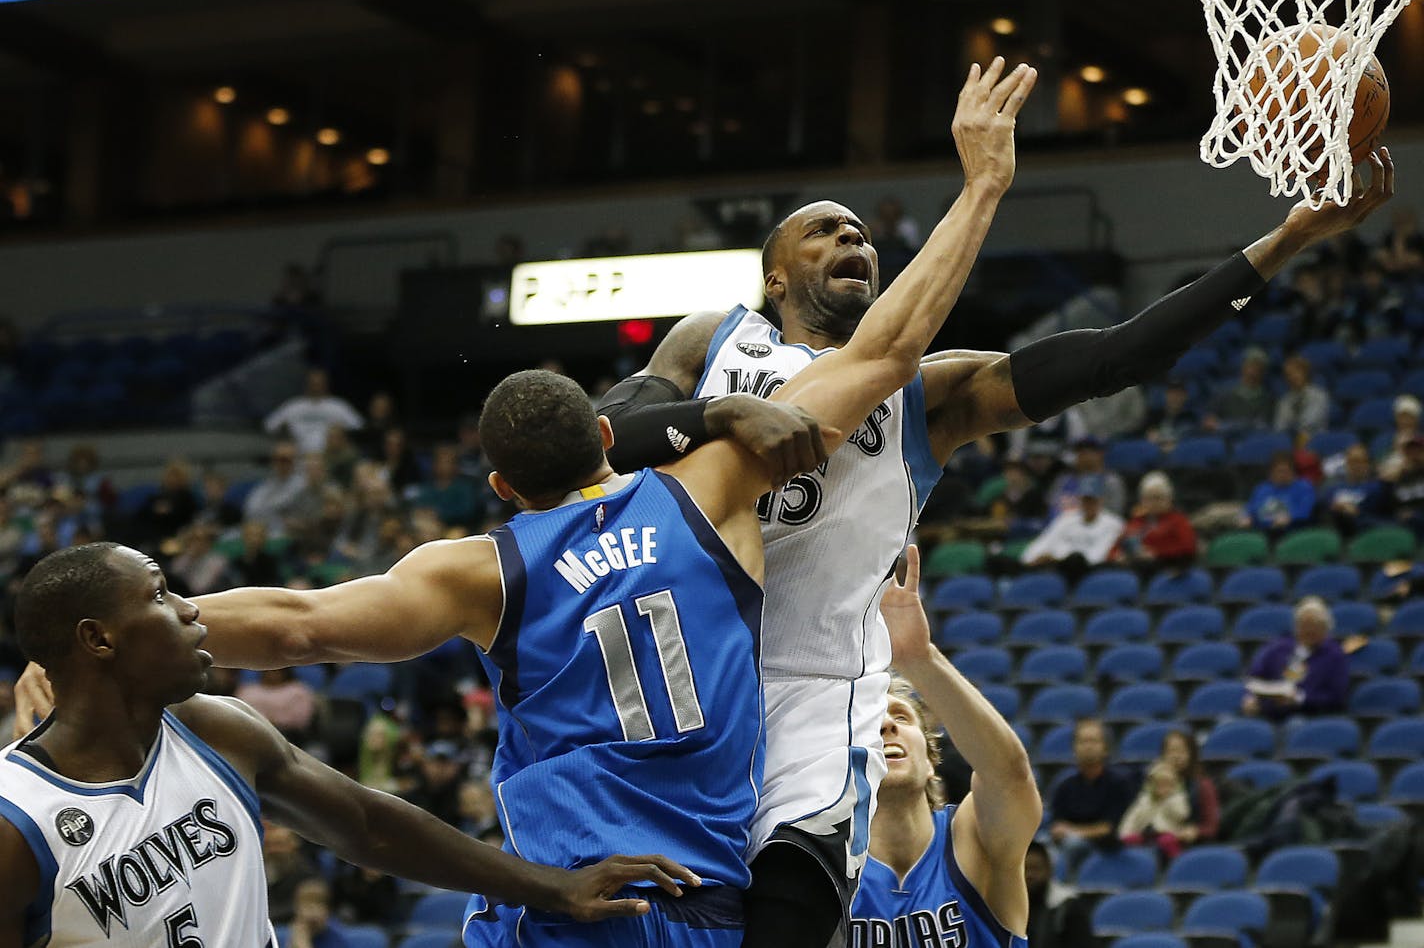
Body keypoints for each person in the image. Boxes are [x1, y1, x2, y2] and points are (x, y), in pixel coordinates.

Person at [6, 65, 1032, 947]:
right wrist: (980, 185)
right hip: (690, 894)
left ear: (499, 486)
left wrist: (120, 644)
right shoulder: (701, 493)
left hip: (554, 893)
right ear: (601, 440)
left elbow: (301, 624)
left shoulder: (478, 566)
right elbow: (887, 353)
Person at [593, 142, 1388, 944]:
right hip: (685, 664)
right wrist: (720, 417)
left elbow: (1118, 355)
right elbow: (601, 443)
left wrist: (1283, 242)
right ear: (774, 277)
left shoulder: (931, 393)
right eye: (826, 231)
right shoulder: (711, 343)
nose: (853, 241)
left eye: (863, 234)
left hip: (818, 687)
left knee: (789, 909)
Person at [0, 543, 699, 948]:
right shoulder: (17, 823)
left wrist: (556, 885)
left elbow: (369, 826)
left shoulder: (214, 727)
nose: (190, 609)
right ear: (98, 639)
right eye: (159, 596)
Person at [851, 545, 1040, 947]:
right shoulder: (827, 862)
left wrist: (919, 659)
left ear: (932, 759)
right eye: (869, 724)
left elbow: (1008, 775)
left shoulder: (973, 838)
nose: (886, 725)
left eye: (901, 717)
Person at [1048, 719, 1136, 874]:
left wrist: (1073, 831)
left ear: (1105, 749)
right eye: (1082, 741)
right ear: (1074, 748)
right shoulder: (1065, 786)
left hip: (1106, 846)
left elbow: (1110, 828)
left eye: (1094, 741)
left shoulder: (1119, 784)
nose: (1088, 746)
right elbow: (1057, 825)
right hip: (1066, 842)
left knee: (1073, 844)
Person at [1242, 595, 1350, 719]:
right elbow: (1255, 676)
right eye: (1304, 625)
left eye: (1315, 625)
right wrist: (1249, 697)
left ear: (1326, 629)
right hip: (1268, 710)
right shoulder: (1278, 647)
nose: (1309, 630)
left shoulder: (1335, 656)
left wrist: (1300, 698)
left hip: (1307, 715)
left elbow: (1336, 697)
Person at [1020, 480, 1124, 582]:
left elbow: (1097, 557)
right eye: (1085, 500)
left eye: (1092, 500)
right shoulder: (1066, 518)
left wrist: (1058, 561)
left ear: (1101, 500)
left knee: (1075, 561)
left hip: (1086, 573)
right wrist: (1031, 558)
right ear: (1080, 499)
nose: (1088, 504)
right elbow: (1045, 540)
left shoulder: (1114, 524)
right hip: (1054, 569)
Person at [1110, 471, 1198, 572]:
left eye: (1158, 498)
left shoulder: (1179, 521)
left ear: (1169, 499)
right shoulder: (1135, 522)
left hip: (1163, 569)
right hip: (1132, 569)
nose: (1153, 503)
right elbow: (1113, 550)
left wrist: (1156, 554)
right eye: (1148, 498)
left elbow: (1188, 549)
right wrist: (1118, 556)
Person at [264, 369, 364, 456]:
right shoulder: (293, 406)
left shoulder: (338, 406)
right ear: (307, 384)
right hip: (298, 456)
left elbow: (359, 426)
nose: (316, 387)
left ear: (326, 385)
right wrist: (283, 429)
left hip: (331, 458)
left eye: (319, 384)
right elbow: (270, 425)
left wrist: (343, 430)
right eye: (313, 383)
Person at [1118, 760, 1192, 862]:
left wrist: (1168, 800)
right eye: (1159, 784)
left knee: (1167, 841)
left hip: (1168, 833)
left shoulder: (1177, 799)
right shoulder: (1144, 800)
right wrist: (1124, 834)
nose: (1163, 788)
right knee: (1129, 840)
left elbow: (1183, 814)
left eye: (1168, 784)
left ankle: (1177, 862)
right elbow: (1132, 817)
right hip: (1145, 834)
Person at [1023, 842, 1093, 948]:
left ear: (1049, 870)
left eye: (1035, 868)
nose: (1029, 875)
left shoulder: (1068, 905)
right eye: (1025, 869)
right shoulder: (1008, 906)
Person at [1160, 729, 1218, 846]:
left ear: (1191, 754)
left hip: (1192, 845)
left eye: (1181, 751)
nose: (1176, 756)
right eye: (1171, 751)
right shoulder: (1153, 783)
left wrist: (1196, 831)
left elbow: (1211, 827)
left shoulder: (1203, 785)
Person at [1047, 438, 1127, 518]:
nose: (1084, 455)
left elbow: (1115, 513)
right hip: (1063, 525)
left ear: (1100, 454)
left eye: (1089, 452)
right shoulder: (1064, 480)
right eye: (1080, 452)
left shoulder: (1110, 481)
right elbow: (1052, 507)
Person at [1320, 443, 1388, 536]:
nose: (1357, 466)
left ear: (1368, 464)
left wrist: (1357, 512)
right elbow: (1324, 510)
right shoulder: (1333, 489)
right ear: (1346, 463)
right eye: (1353, 461)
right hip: (1337, 529)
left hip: (1366, 531)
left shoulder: (1376, 487)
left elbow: (1379, 515)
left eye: (1361, 461)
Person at [1242, 452, 1317, 534]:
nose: (1282, 475)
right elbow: (1250, 508)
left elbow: (1305, 510)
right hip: (1263, 532)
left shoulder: (1304, 487)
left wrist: (1289, 518)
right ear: (1271, 473)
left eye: (1285, 471)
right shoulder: (1262, 488)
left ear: (1293, 471)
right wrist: (1246, 517)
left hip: (1292, 532)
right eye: (1279, 471)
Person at [1205, 346, 1274, 432]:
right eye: (1251, 364)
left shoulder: (1267, 397)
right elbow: (1209, 420)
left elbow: (1263, 424)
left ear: (1264, 371)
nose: (1254, 369)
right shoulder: (1224, 391)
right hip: (1225, 437)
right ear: (1243, 366)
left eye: (1258, 366)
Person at [1273, 354, 1331, 437]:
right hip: (1289, 442)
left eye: (1296, 372)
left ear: (1305, 373)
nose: (1292, 377)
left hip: (1314, 439)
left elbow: (1309, 422)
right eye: (1289, 374)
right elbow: (1279, 426)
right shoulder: (1284, 401)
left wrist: (1291, 424)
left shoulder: (1319, 395)